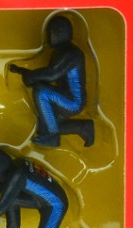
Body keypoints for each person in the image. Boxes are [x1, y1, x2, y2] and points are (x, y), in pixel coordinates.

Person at [9, 14, 94, 147]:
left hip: (73, 102)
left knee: (41, 92)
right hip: (64, 98)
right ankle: (83, 127)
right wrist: (24, 72)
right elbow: (48, 76)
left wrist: (32, 77)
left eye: (51, 32)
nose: (49, 36)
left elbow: (52, 73)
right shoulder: (58, 54)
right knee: (45, 123)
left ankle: (52, 137)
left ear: (59, 32)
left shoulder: (72, 53)